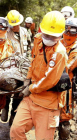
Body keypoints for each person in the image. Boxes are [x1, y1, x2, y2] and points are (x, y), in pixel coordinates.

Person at [10, 11, 68, 140]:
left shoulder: (59, 53)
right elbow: (33, 60)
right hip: (31, 98)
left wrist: (29, 89)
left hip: (48, 103)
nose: (49, 39)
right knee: (16, 130)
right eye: (47, 35)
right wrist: (27, 79)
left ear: (61, 35)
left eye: (54, 37)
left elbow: (49, 80)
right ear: (41, 30)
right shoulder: (38, 39)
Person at [1, 10, 29, 126]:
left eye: (16, 24)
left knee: (20, 92)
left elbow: (28, 47)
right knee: (7, 90)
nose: (14, 26)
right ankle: (5, 107)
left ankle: (14, 115)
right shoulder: (5, 34)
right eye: (12, 25)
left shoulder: (24, 32)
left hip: (22, 68)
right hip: (9, 67)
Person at [59, 17, 77, 140]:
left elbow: (68, 68)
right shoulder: (58, 43)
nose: (68, 33)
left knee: (65, 117)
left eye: (73, 31)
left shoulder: (76, 49)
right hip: (52, 84)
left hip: (68, 86)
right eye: (66, 30)